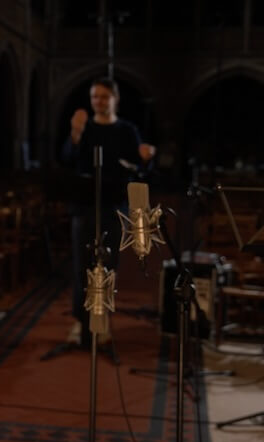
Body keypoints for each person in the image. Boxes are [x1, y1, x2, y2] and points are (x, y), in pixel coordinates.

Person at [62, 77, 155, 347]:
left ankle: (101, 323)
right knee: (82, 269)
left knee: (107, 268)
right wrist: (75, 135)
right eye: (94, 97)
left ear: (115, 99)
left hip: (114, 208)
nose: (98, 102)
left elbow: (140, 170)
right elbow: (67, 159)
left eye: (104, 97)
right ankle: (80, 322)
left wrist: (146, 159)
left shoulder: (127, 130)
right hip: (84, 207)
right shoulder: (84, 128)